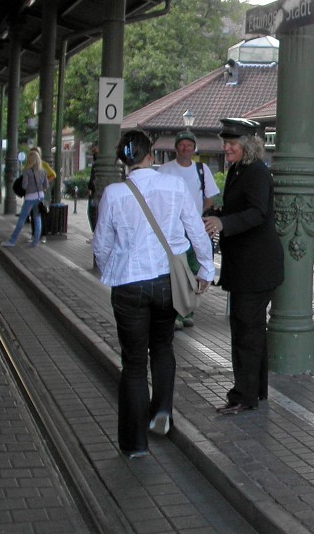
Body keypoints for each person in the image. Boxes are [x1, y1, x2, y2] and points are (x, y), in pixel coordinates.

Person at [93, 130, 214, 458]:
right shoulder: (173, 186)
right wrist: (206, 268)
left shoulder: (114, 193)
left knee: (133, 364)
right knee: (162, 346)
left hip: (129, 285)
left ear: (124, 159)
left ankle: (135, 445)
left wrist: (109, 271)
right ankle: (162, 410)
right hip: (166, 283)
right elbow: (195, 229)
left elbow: (102, 243)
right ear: (151, 155)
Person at [204, 118, 284, 415]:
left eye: (232, 144)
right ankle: (256, 391)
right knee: (252, 330)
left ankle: (243, 397)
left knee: (245, 331)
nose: (226, 148)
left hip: (256, 267)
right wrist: (219, 213)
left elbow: (258, 213)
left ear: (248, 146)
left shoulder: (256, 173)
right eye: (225, 143)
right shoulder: (241, 169)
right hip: (249, 266)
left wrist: (223, 222)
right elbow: (244, 208)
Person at [157, 130, 220, 330]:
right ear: (176, 148)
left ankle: (188, 310)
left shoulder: (201, 170)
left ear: (194, 148)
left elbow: (210, 196)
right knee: (176, 269)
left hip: (195, 227)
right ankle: (177, 312)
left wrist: (195, 215)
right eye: (182, 145)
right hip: (171, 228)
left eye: (189, 145)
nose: (185, 148)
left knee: (194, 268)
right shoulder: (164, 170)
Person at [2, 150, 48, 248]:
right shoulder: (43, 171)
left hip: (30, 197)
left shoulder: (27, 171)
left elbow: (24, 186)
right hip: (40, 197)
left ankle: (12, 240)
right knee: (37, 218)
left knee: (22, 219)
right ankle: (35, 241)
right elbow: (46, 185)